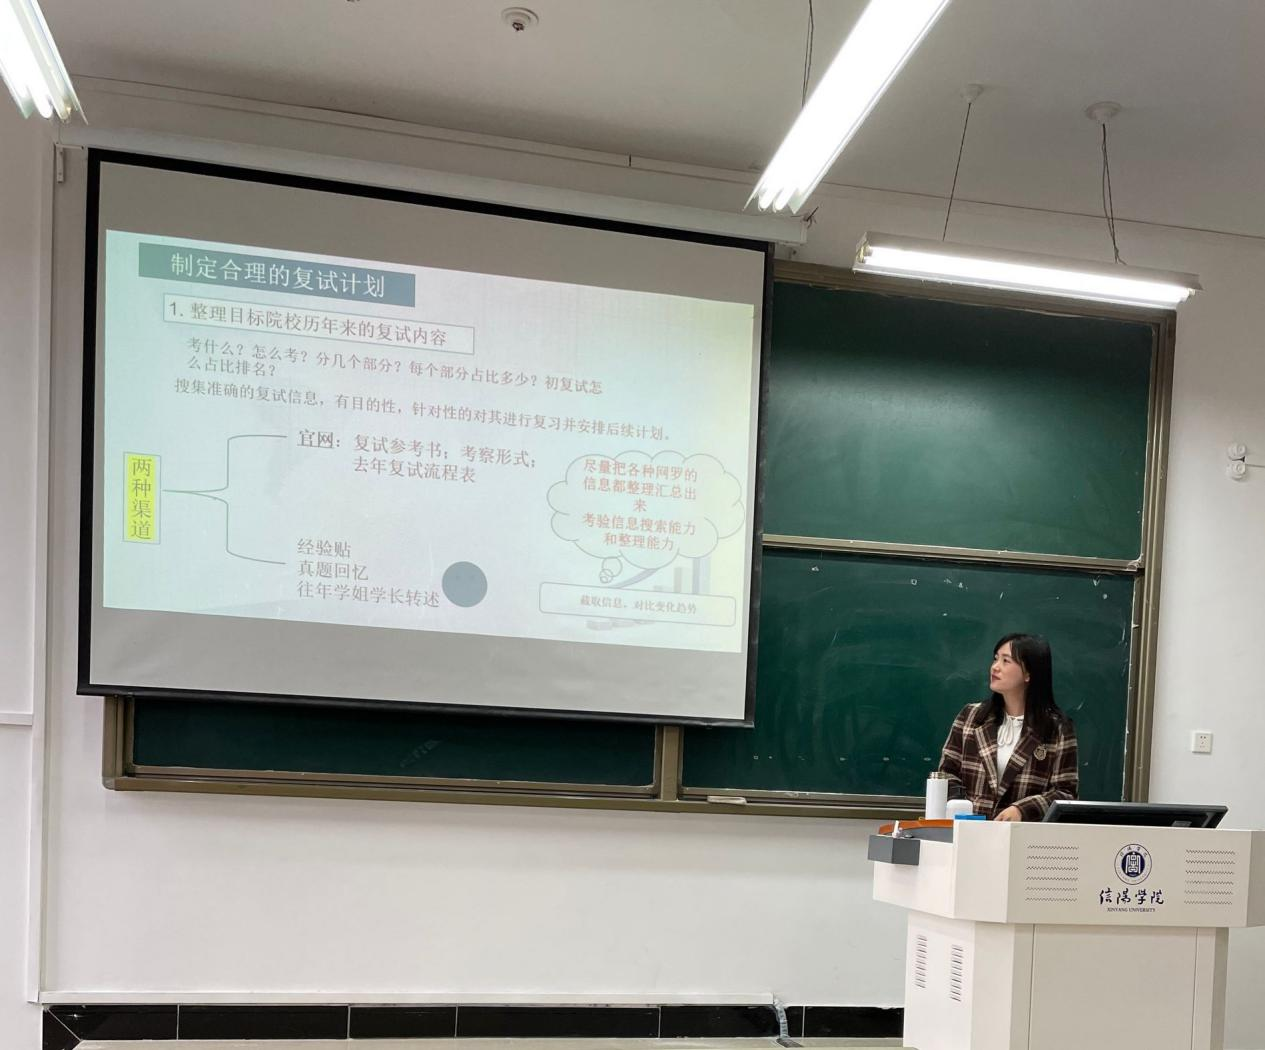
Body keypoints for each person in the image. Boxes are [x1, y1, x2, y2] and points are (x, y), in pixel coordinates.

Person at [937, 633, 1078, 821]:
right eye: (995, 659)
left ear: (1028, 673)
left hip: (1023, 835)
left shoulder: (1056, 728)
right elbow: (945, 775)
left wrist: (1021, 810)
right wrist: (963, 810)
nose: (995, 667)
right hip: (969, 830)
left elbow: (1066, 793)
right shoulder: (971, 716)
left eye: (1006, 661)